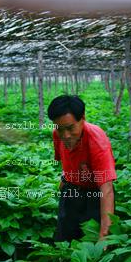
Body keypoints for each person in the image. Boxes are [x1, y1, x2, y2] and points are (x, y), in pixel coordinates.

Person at [48, 95, 117, 242]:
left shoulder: (97, 141)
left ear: (83, 118)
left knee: (92, 242)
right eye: (60, 129)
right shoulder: (57, 134)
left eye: (70, 128)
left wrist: (105, 234)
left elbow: (106, 189)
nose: (65, 135)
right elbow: (64, 160)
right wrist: (64, 178)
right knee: (64, 239)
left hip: (95, 195)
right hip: (71, 190)